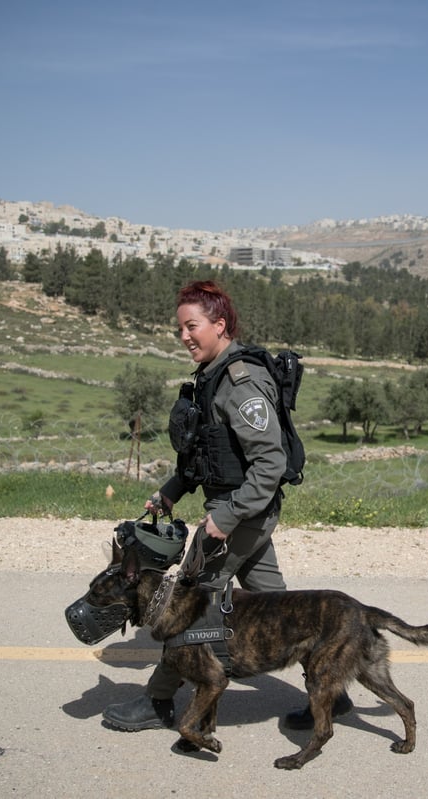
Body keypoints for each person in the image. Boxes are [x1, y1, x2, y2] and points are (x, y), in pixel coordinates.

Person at [102, 279, 350, 733]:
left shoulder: (241, 381)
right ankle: (335, 689)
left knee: (187, 608)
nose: (184, 337)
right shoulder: (212, 375)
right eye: (179, 328)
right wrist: (171, 491)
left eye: (191, 326)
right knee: (277, 603)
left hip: (240, 512)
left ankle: (159, 700)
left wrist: (226, 516)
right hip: (240, 510)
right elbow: (208, 452)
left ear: (219, 324)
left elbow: (269, 462)